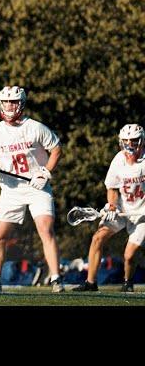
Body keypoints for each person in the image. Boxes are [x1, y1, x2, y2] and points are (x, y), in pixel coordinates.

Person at [0, 86, 63, 293]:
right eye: (6, 102)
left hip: (37, 186)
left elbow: (56, 149)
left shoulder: (35, 127)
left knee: (45, 229)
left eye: (13, 102)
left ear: (21, 104)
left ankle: (56, 279)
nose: (9, 106)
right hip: (10, 190)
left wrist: (45, 172)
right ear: (0, 104)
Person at [73, 124, 145, 293]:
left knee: (129, 256)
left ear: (141, 141)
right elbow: (112, 188)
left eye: (133, 141)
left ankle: (127, 283)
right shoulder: (119, 159)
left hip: (142, 214)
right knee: (98, 237)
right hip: (122, 210)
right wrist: (112, 205)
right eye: (126, 141)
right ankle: (91, 283)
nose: (129, 144)